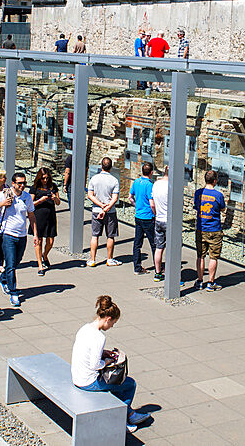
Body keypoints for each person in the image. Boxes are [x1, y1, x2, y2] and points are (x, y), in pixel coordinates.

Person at [71, 295, 149, 433]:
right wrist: (108, 361)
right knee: (129, 384)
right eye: (113, 323)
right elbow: (95, 365)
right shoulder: (99, 337)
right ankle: (121, 420)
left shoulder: (85, 328)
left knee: (115, 386)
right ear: (108, 319)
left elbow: (87, 352)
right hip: (88, 381)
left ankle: (130, 414)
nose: (112, 326)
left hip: (76, 376)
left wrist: (104, 352)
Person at [0, 172, 37, 308]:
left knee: (16, 262)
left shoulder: (27, 197)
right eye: (19, 183)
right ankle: (13, 293)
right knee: (10, 264)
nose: (22, 186)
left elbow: (31, 216)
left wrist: (36, 235)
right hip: (8, 234)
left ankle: (3, 279)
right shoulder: (4, 195)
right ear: (13, 183)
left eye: (24, 183)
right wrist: (2, 204)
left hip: (22, 235)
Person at [193, 170, 225, 291]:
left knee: (200, 256)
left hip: (201, 228)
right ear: (215, 181)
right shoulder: (218, 195)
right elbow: (222, 208)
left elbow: (196, 207)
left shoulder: (198, 193)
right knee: (213, 257)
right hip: (214, 229)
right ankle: (210, 282)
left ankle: (200, 281)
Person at [86, 157, 121, 267]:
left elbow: (90, 195)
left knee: (95, 235)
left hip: (96, 210)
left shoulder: (94, 179)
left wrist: (100, 205)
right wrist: (107, 207)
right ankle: (109, 259)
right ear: (110, 167)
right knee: (110, 236)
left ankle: (92, 259)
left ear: (101, 166)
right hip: (110, 211)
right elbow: (115, 198)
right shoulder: (114, 180)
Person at [30, 167, 60, 276]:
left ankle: (45, 255)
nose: (45, 180)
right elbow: (30, 203)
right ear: (39, 178)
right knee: (39, 241)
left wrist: (54, 198)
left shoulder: (53, 186)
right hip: (38, 216)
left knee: (50, 241)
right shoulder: (34, 188)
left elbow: (58, 202)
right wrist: (40, 200)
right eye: (43, 178)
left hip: (50, 216)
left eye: (47, 178)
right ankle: (40, 265)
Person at [129, 161, 156, 275]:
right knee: (154, 244)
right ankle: (157, 267)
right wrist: (156, 214)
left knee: (137, 243)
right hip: (148, 217)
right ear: (151, 172)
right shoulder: (149, 185)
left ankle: (137, 267)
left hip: (138, 216)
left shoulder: (136, 182)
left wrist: (136, 205)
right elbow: (152, 203)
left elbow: (130, 197)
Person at [150, 165, 169, 282]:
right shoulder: (171, 186)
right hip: (169, 221)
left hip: (159, 219)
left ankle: (157, 273)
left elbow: (152, 203)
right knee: (173, 249)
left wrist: (156, 213)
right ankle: (172, 275)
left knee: (159, 248)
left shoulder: (156, 184)